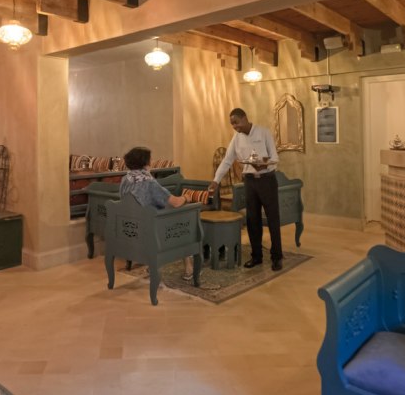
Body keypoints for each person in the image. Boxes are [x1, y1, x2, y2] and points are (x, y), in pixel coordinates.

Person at [208, 108, 283, 271]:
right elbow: (227, 160)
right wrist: (216, 181)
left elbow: (275, 157)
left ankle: (277, 257)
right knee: (252, 220)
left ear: (244, 118)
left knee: (273, 219)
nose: (235, 126)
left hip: (267, 180)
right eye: (232, 124)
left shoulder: (264, 132)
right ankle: (256, 256)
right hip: (249, 182)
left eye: (236, 122)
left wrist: (264, 164)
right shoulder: (236, 138)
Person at [120, 146, 195, 280]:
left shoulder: (126, 179)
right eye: (150, 159)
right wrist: (186, 197)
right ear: (145, 162)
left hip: (130, 226)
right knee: (183, 222)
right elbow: (175, 202)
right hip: (149, 229)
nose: (152, 161)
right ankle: (189, 266)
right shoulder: (149, 182)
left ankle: (155, 264)